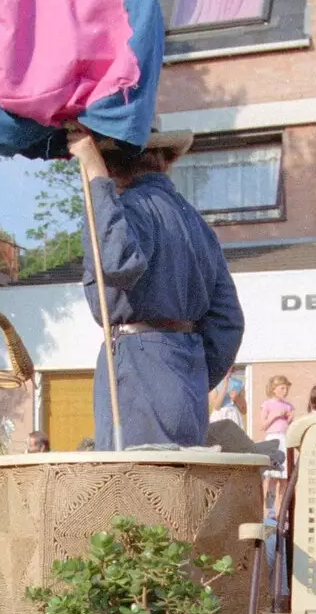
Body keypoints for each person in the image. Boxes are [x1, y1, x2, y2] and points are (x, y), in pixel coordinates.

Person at [67, 122, 244, 450]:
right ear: (165, 159)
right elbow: (228, 323)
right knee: (181, 496)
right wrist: (190, 372)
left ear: (111, 162)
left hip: (137, 366)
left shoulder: (129, 207)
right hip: (187, 376)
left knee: (131, 492)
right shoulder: (197, 224)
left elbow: (114, 263)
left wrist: (95, 178)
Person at [259, 375, 294, 517]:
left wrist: (290, 419)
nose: (285, 391)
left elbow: (289, 425)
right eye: (282, 388)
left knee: (284, 479)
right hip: (273, 440)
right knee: (272, 478)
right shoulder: (267, 404)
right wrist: (274, 416)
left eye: (286, 388)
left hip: (284, 440)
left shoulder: (289, 406)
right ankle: (269, 510)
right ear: (274, 389)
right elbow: (262, 426)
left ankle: (282, 512)